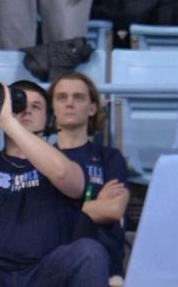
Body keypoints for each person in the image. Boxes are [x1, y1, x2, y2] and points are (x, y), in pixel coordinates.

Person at [0, 82, 108, 287]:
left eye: (36, 107)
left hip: (46, 274)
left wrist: (9, 122)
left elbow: (64, 176)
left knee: (89, 252)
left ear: (50, 118)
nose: (26, 111)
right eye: (17, 106)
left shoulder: (67, 161)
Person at [51, 73, 129, 279]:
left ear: (92, 108)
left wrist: (59, 209)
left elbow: (113, 209)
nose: (69, 103)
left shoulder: (110, 158)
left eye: (78, 97)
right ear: (53, 109)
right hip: (51, 262)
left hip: (105, 265)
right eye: (61, 97)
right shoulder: (42, 158)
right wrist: (94, 204)